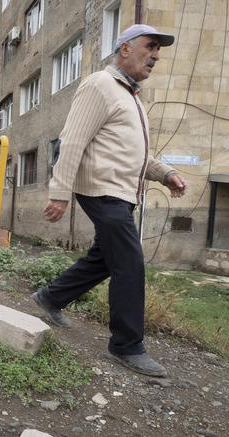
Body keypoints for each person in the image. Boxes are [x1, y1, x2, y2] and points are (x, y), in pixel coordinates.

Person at [32, 24, 187, 377]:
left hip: (119, 191)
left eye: (158, 51)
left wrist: (165, 173)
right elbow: (71, 141)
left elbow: (132, 155)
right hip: (101, 190)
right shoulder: (100, 85)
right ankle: (126, 346)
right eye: (150, 47)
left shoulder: (130, 96)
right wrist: (59, 193)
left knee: (105, 258)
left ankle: (51, 298)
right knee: (130, 262)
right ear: (125, 50)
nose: (156, 56)